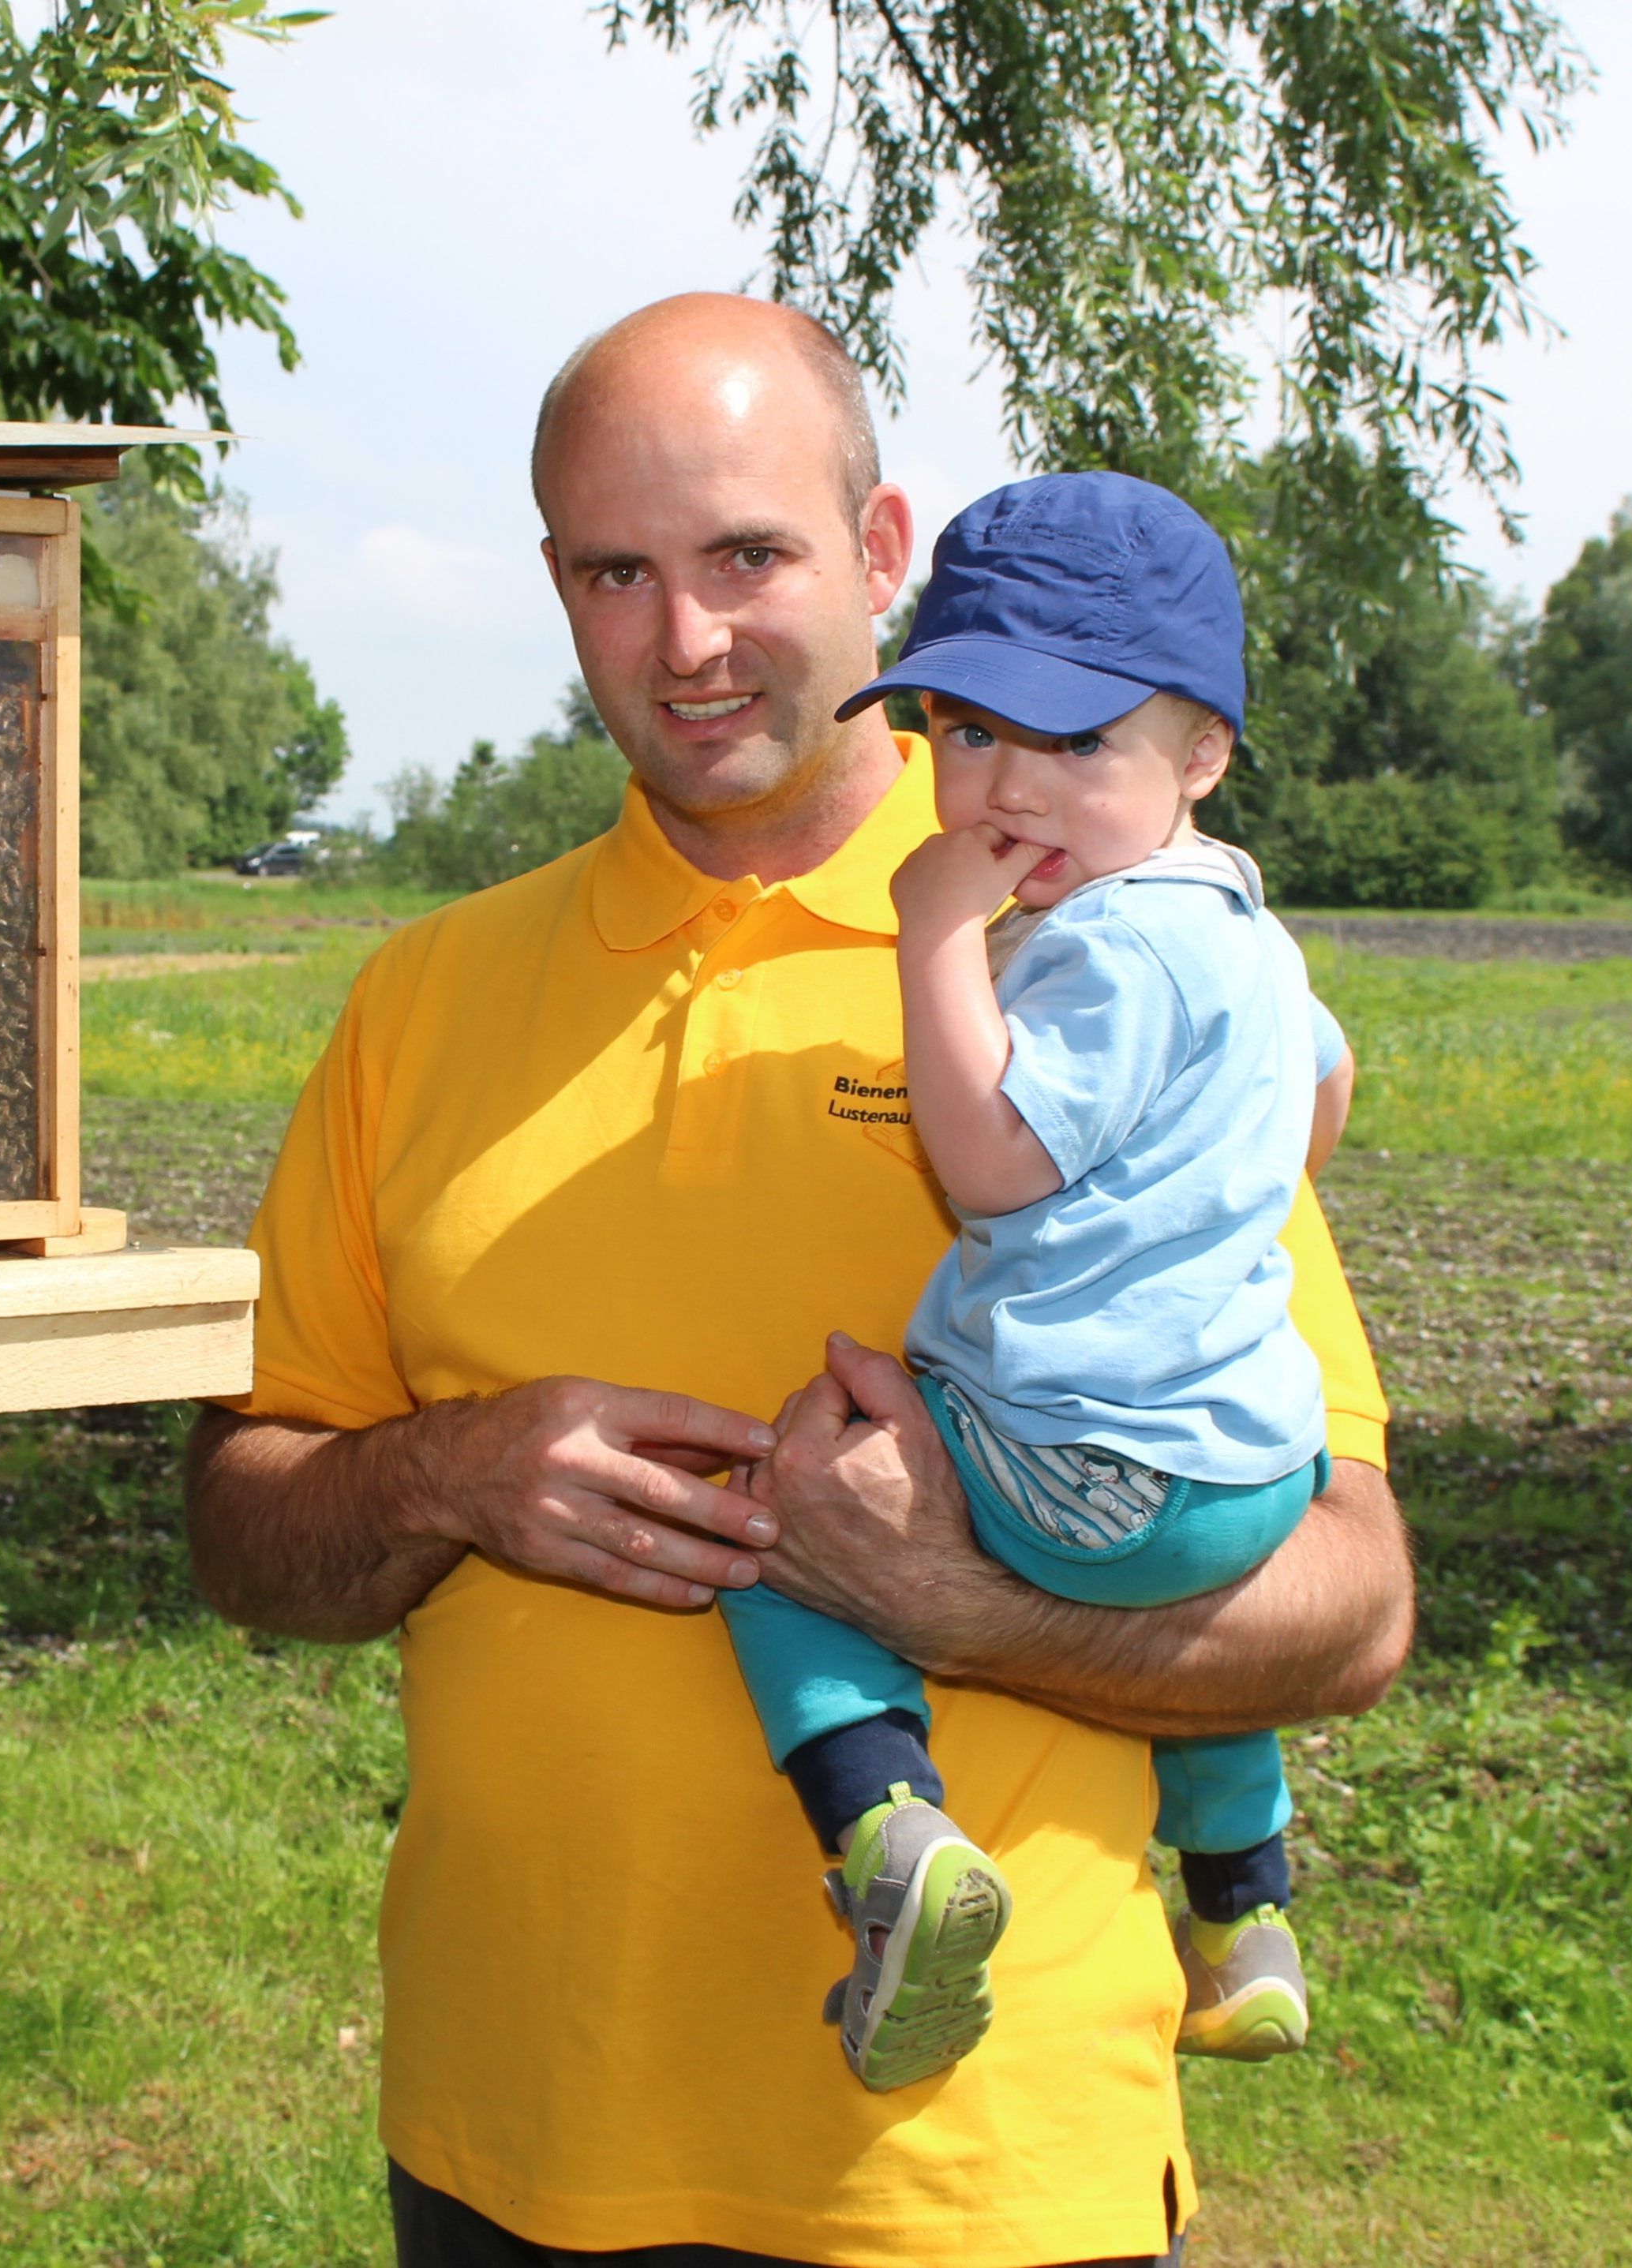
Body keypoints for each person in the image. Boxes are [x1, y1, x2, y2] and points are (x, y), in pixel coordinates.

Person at [186, 292, 1409, 2268]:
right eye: (616, 572)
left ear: (879, 547)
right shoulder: (419, 1005)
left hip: (977, 2188)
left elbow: (1345, 1608)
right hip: (509, 2154)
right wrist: (445, 1472)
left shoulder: (1100, 964)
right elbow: (248, 1536)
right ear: (557, 586)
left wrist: (955, 1596)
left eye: (745, 555)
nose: (684, 642)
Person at [718, 472, 1337, 2093]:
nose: (1006, 793)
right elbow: (1319, 1105)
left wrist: (930, 936)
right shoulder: (1248, 933)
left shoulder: (1098, 945)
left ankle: (883, 1834)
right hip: (1253, 1469)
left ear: (1199, 754)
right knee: (1200, 1632)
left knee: (787, 1516)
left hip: (1080, 1469)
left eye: (1075, 746)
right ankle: (1241, 1912)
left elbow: (986, 1164)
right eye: (967, 734)